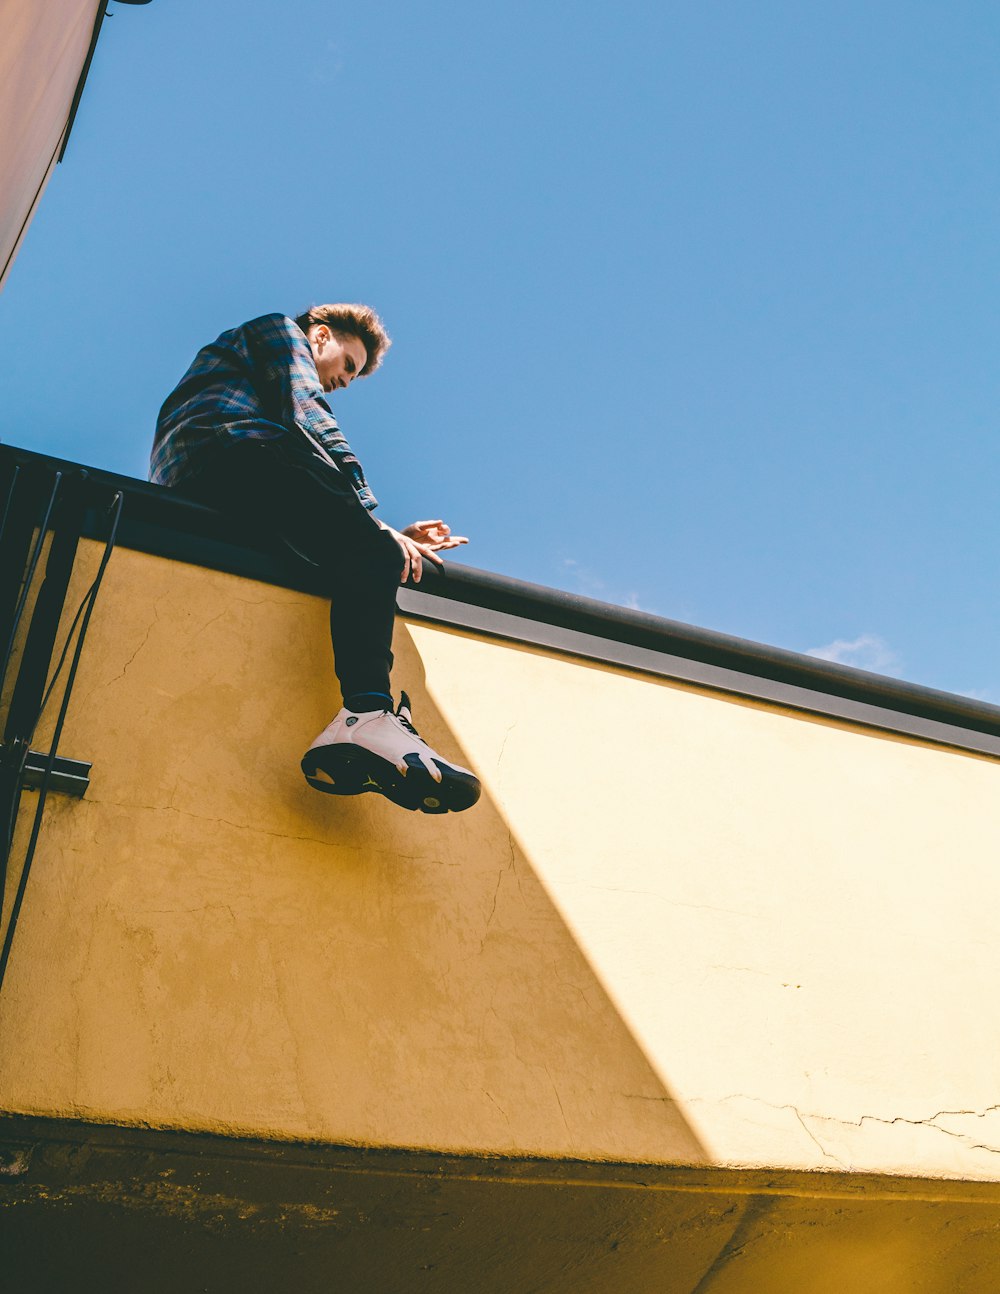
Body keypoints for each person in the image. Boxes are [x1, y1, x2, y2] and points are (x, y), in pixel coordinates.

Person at [150, 305, 481, 814]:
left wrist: (374, 532)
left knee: (365, 554)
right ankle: (367, 716)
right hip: (231, 447)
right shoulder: (280, 329)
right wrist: (371, 520)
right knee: (370, 546)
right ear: (320, 335)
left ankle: (363, 721)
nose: (345, 381)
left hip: (218, 480)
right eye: (347, 364)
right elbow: (304, 409)